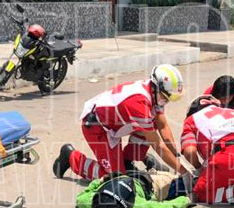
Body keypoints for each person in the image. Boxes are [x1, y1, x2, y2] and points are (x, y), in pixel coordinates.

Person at [53, 64, 187, 181]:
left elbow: (162, 126)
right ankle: (71, 157)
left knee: (152, 124)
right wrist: (184, 172)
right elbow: (158, 145)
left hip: (114, 124)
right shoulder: (139, 102)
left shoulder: (155, 94)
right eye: (166, 97)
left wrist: (175, 154)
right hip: (97, 127)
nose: (166, 101)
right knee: (115, 177)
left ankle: (126, 161)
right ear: (155, 88)